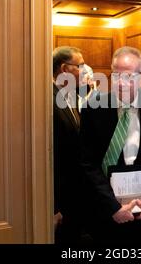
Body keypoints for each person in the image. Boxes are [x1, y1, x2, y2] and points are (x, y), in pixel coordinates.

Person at [80, 46, 141, 244]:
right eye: (116, 75)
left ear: (140, 76)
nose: (121, 82)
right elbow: (87, 164)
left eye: (128, 76)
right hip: (107, 211)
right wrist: (112, 208)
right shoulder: (94, 109)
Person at [53, 45, 88, 243]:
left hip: (76, 194)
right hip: (61, 198)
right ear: (65, 69)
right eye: (80, 66)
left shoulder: (70, 95)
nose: (84, 70)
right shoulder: (46, 99)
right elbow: (49, 155)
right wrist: (53, 206)